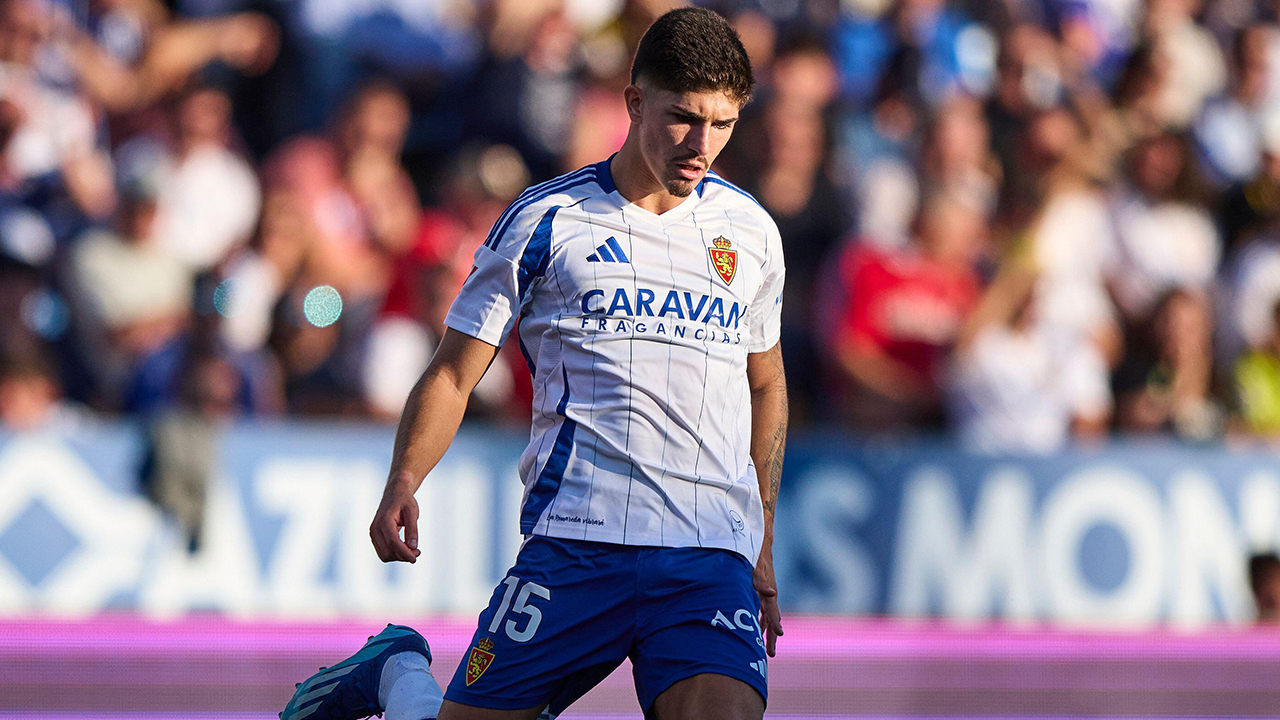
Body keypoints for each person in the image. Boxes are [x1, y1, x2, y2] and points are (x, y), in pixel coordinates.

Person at [281, 8, 787, 720]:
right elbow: (455, 370)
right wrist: (405, 477)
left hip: (705, 559)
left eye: (723, 124)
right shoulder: (546, 219)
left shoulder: (752, 233)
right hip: (577, 546)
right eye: (684, 119)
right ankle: (397, 670)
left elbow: (766, 381)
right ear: (635, 102)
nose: (703, 145)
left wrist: (761, 542)